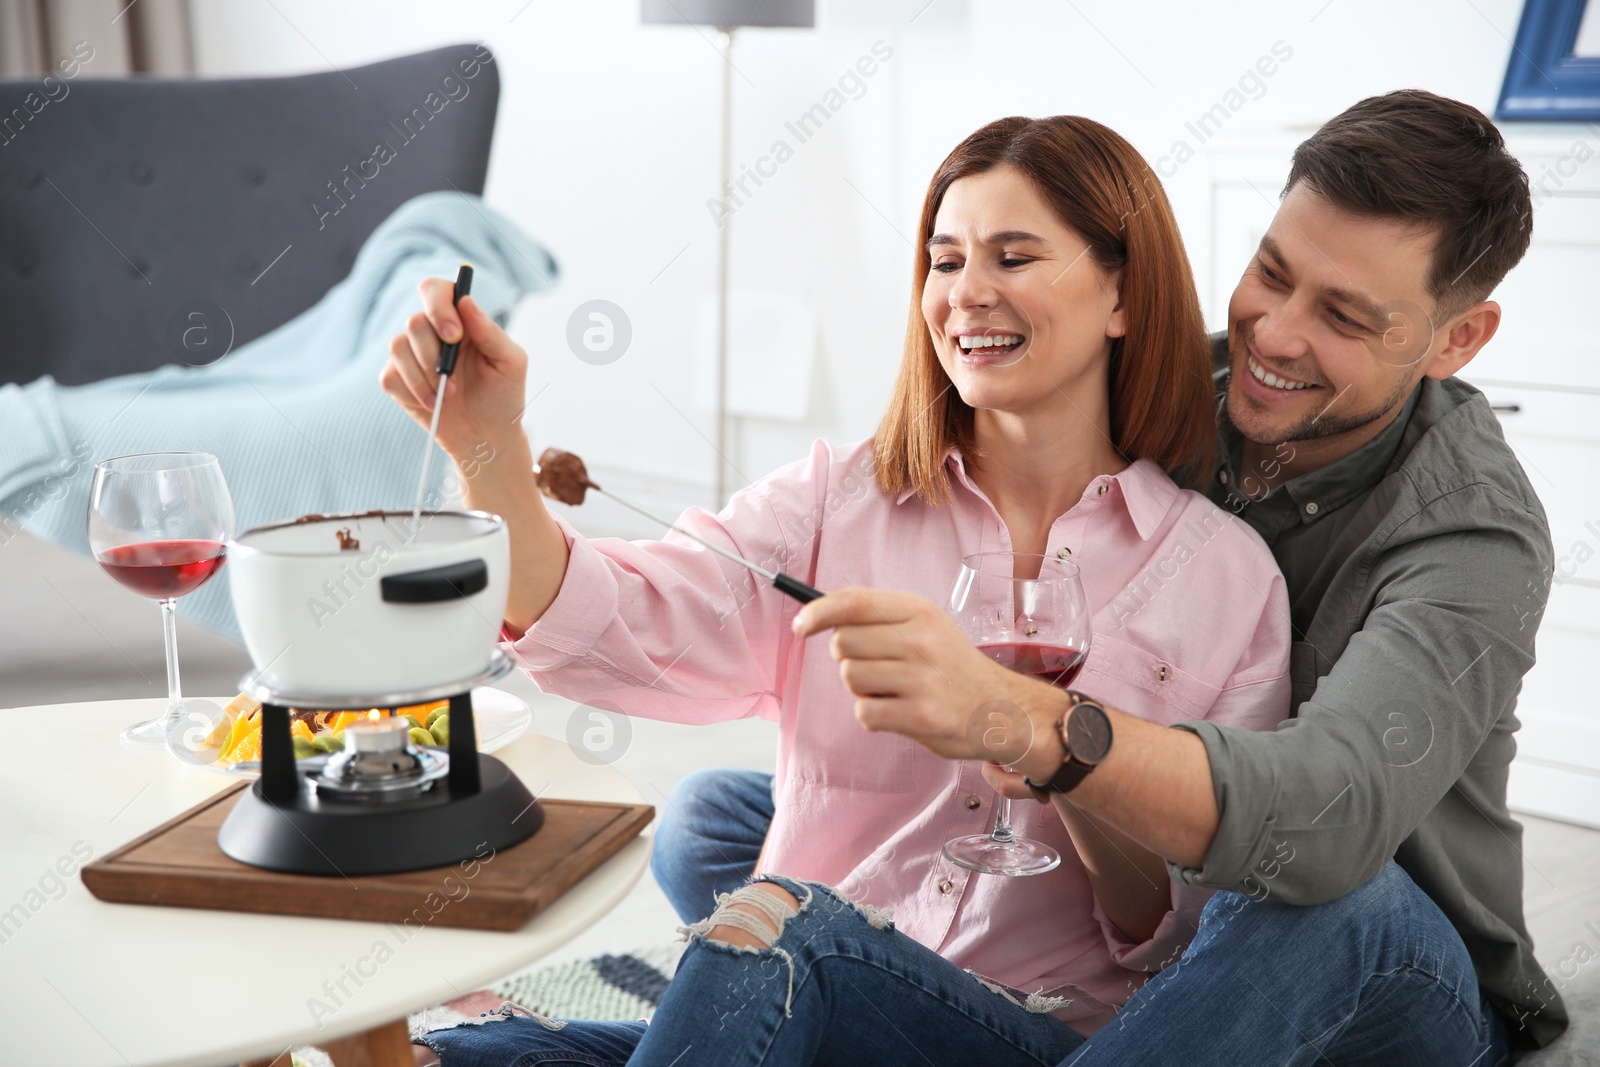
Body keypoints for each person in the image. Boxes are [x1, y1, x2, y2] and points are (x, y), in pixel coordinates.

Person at [383, 115, 1291, 1065]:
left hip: (1015, 1032)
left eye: (1014, 257)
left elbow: (1181, 930)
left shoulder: (1227, 582)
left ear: (1123, 296)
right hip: (796, 1015)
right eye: (944, 262)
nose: (967, 292)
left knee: (772, 920)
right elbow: (617, 622)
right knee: (451, 1054)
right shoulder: (836, 500)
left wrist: (1058, 754)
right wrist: (484, 445)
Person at [729, 90, 1558, 1064]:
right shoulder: (1181, 386)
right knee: (731, 816)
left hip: (1383, 970)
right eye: (1270, 274)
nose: (1274, 335)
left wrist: (1040, 727)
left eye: (1342, 314)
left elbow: (1324, 819)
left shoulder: (1474, 537)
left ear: (1455, 339)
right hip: (1152, 898)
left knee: (1325, 902)